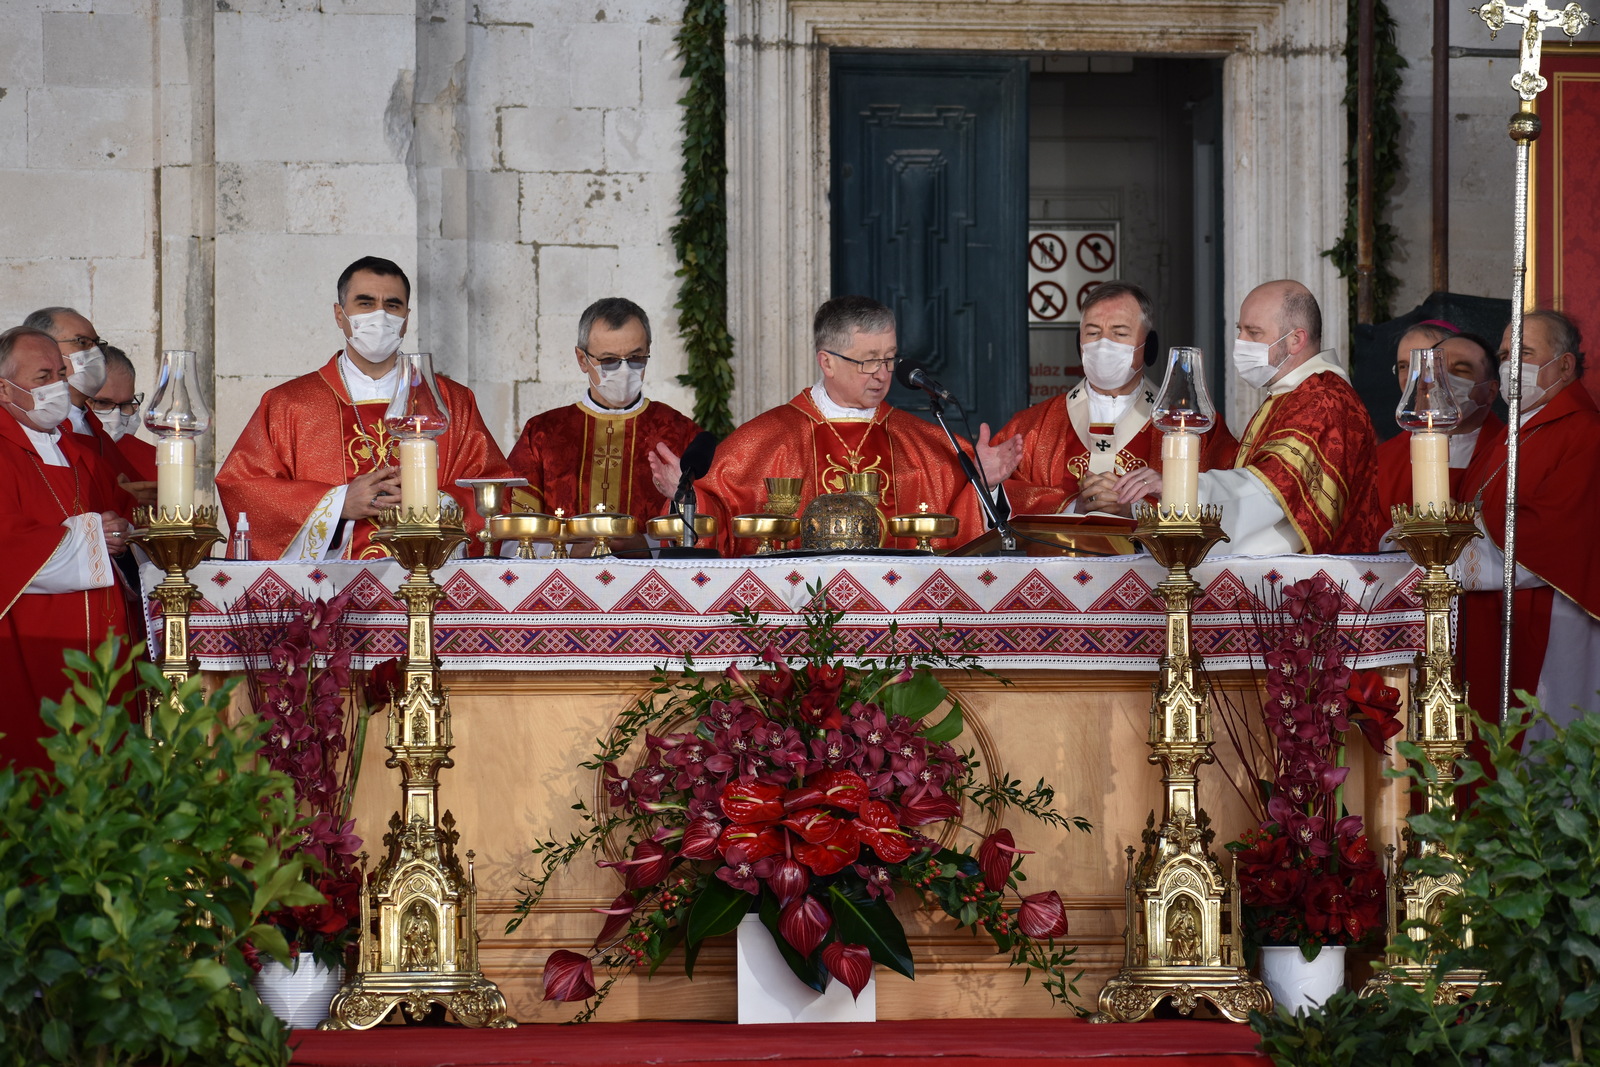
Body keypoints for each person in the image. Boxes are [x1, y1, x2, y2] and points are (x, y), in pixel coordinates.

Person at [215, 256, 513, 560]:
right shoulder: (290, 404)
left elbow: (494, 493)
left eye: (392, 305)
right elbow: (244, 488)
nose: (380, 316)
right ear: (339, 314)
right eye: (366, 303)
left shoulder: (450, 402)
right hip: (326, 593)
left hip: (427, 579)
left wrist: (433, 502)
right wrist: (338, 504)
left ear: (407, 319)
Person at [693, 295, 1023, 555]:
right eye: (868, 361)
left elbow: (969, 546)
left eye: (890, 358)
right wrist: (686, 496)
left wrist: (985, 486)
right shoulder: (765, 439)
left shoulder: (928, 443)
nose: (883, 374)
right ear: (828, 362)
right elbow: (717, 515)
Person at [1114, 280, 1382, 554]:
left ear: (1296, 340)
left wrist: (1180, 487)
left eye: (1253, 333)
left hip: (1320, 584)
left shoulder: (1324, 400)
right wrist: (1142, 504)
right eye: (1240, 330)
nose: (1240, 343)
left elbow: (1269, 498)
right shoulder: (1289, 396)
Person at [1454, 309, 1600, 729]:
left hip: (1552, 620)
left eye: (1524, 352)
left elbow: (1557, 535)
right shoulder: (1510, 434)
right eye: (1503, 354)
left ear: (1566, 365)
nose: (1508, 365)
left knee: (1543, 744)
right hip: (1493, 611)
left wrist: (1456, 563)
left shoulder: (1585, 433)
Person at [0, 326, 133, 769]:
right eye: (42, 377)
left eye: (61, 373)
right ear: (4, 387)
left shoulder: (82, 453)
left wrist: (124, 532)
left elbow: (124, 527)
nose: (58, 386)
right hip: (32, 639)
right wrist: (95, 534)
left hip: (102, 641)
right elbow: (7, 544)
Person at [995, 281, 1235, 516]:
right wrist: (1071, 508)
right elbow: (992, 498)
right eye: (1093, 332)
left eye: (1119, 333)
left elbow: (1226, 501)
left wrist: (1135, 510)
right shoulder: (1032, 428)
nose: (1103, 344)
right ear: (1078, 343)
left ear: (1149, 346)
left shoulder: (1193, 427)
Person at [507, 298, 701, 530]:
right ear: (582, 359)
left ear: (648, 351)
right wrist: (569, 549)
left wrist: (648, 547)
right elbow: (513, 531)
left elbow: (705, 526)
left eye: (636, 358)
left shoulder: (680, 432)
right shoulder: (542, 434)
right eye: (609, 360)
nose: (625, 370)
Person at [23, 305, 153, 507]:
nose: (95, 353)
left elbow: (134, 493)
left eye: (97, 344)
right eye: (82, 343)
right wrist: (113, 495)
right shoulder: (28, 422)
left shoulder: (96, 430)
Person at [1375, 329, 1502, 522]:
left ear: (1491, 391)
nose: (1444, 382)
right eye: (1437, 369)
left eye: (1461, 370)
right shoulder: (1385, 460)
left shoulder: (1512, 454)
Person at [89, 345, 158, 482]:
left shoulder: (156, 462)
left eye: (125, 404)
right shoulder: (56, 454)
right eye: (102, 403)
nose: (115, 419)